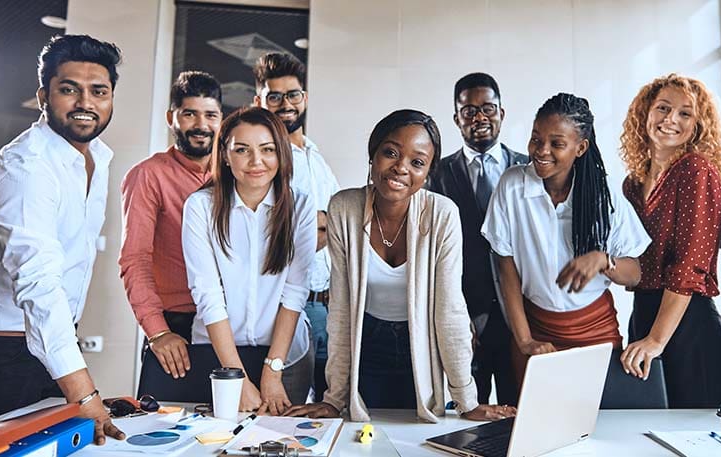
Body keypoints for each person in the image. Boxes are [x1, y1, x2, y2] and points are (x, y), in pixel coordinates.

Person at [0, 35, 125, 443]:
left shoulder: (97, 156)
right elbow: (38, 284)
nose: (85, 103)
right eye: (68, 89)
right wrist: (84, 394)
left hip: (46, 346)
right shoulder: (25, 169)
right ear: (44, 95)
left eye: (99, 91)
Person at [285, 110, 513, 422]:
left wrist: (466, 400)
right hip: (366, 344)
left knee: (416, 439)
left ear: (428, 171)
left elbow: (449, 310)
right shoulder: (344, 208)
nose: (401, 168)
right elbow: (341, 310)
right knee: (362, 440)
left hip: (421, 346)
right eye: (390, 152)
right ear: (373, 154)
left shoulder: (442, 214)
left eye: (417, 162)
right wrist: (334, 398)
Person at [482, 93, 650, 388]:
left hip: (595, 330)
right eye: (536, 139)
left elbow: (634, 274)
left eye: (557, 143)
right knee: (537, 426)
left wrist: (602, 260)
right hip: (536, 331)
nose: (541, 150)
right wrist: (525, 341)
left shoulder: (605, 195)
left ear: (580, 147)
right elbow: (506, 270)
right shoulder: (511, 186)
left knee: (599, 426)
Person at [182, 107, 315, 415]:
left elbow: (295, 292)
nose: (256, 162)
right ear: (225, 155)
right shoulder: (201, 207)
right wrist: (235, 376)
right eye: (242, 150)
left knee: (284, 442)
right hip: (218, 354)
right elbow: (208, 296)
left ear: (281, 154)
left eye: (267, 149)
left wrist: (273, 369)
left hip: (286, 356)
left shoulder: (301, 207)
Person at [618, 74, 721, 408]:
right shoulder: (632, 184)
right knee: (647, 432)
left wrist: (660, 336)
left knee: (694, 441)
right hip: (645, 313)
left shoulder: (696, 170)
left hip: (683, 329)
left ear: (698, 125)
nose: (671, 119)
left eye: (685, 113)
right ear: (645, 113)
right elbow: (636, 261)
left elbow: (689, 264)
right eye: (663, 108)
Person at [119, 71, 222, 397]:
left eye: (210, 115)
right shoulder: (147, 175)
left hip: (229, 322)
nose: (201, 125)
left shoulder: (235, 175)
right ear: (171, 118)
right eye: (189, 113)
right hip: (175, 324)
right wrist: (158, 332)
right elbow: (135, 258)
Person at [429, 72, 527, 405]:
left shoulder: (528, 170)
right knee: (469, 414)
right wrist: (454, 314)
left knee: (523, 410)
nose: (480, 117)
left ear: (502, 112)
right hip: (467, 318)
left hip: (524, 315)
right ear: (457, 118)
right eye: (469, 111)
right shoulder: (436, 174)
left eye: (488, 107)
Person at [253, 53, 339, 401]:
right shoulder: (265, 158)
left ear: (305, 98)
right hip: (286, 305)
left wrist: (324, 224)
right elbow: (276, 230)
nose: (285, 104)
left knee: (327, 404)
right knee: (286, 407)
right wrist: (320, 224)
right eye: (274, 96)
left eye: (293, 95)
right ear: (259, 101)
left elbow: (338, 223)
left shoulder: (315, 155)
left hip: (326, 304)